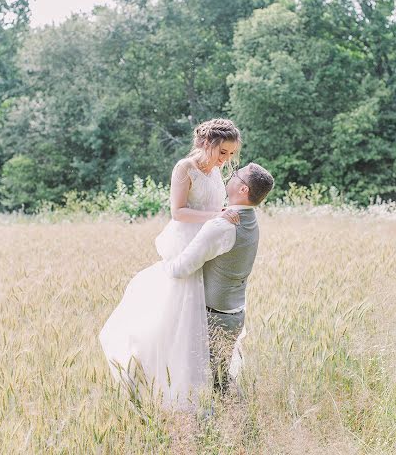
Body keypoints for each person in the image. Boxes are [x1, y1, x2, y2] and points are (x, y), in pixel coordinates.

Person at [99, 118, 241, 410]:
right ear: (206, 144)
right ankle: (174, 386)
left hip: (207, 244)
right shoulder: (184, 168)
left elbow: (217, 207)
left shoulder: (215, 172)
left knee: (204, 315)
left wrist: (223, 215)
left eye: (230, 154)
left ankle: (208, 383)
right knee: (182, 315)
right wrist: (217, 215)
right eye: (222, 152)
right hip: (187, 243)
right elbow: (178, 212)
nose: (225, 159)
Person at [163, 162, 274, 395]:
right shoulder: (250, 220)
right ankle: (238, 424)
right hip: (234, 315)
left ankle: (234, 426)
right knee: (220, 383)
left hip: (212, 318)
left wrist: (165, 259)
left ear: (243, 190)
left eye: (236, 174)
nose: (230, 176)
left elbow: (179, 270)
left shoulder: (222, 226)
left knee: (205, 387)